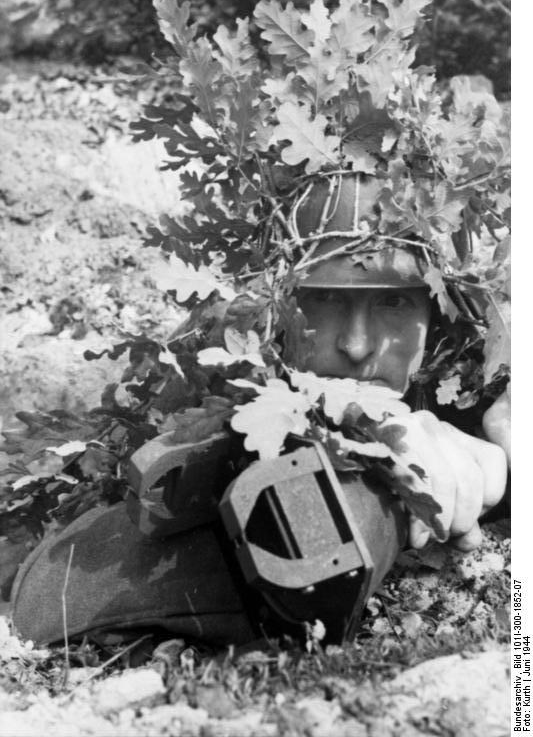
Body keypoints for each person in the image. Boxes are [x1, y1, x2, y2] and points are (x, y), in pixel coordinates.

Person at [10, 175, 509, 647]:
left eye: (394, 302)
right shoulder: (222, 403)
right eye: (325, 299)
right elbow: (52, 597)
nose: (356, 345)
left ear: (439, 318)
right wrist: (382, 492)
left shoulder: (477, 387)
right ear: (276, 313)